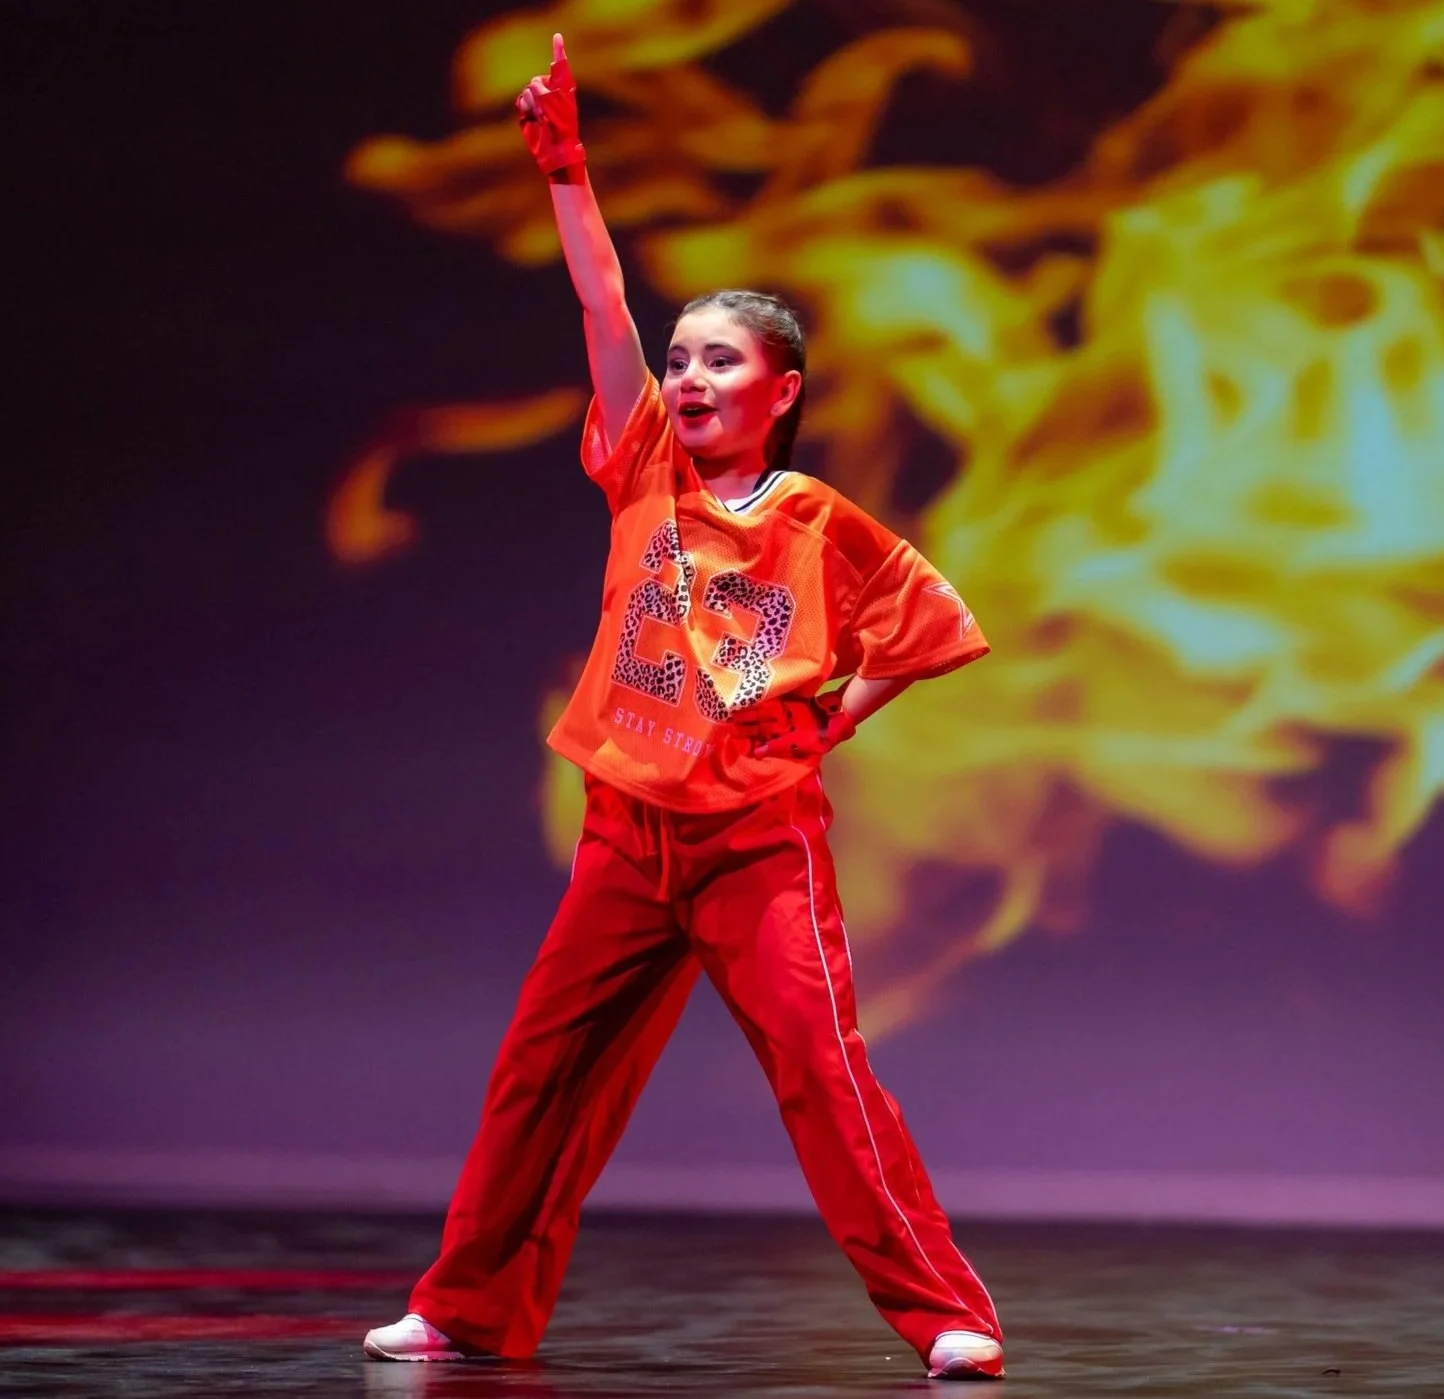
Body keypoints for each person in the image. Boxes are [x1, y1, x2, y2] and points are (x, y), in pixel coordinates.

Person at [362, 33, 1005, 1382]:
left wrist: (837, 715)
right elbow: (598, 306)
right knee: (541, 1077)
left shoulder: (816, 520)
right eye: (680, 359)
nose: (690, 378)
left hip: (752, 843)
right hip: (623, 831)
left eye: (720, 362)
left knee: (822, 1078)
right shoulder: (642, 469)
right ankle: (467, 1302)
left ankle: (947, 1311)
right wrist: (565, 171)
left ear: (780, 393)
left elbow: (929, 625)